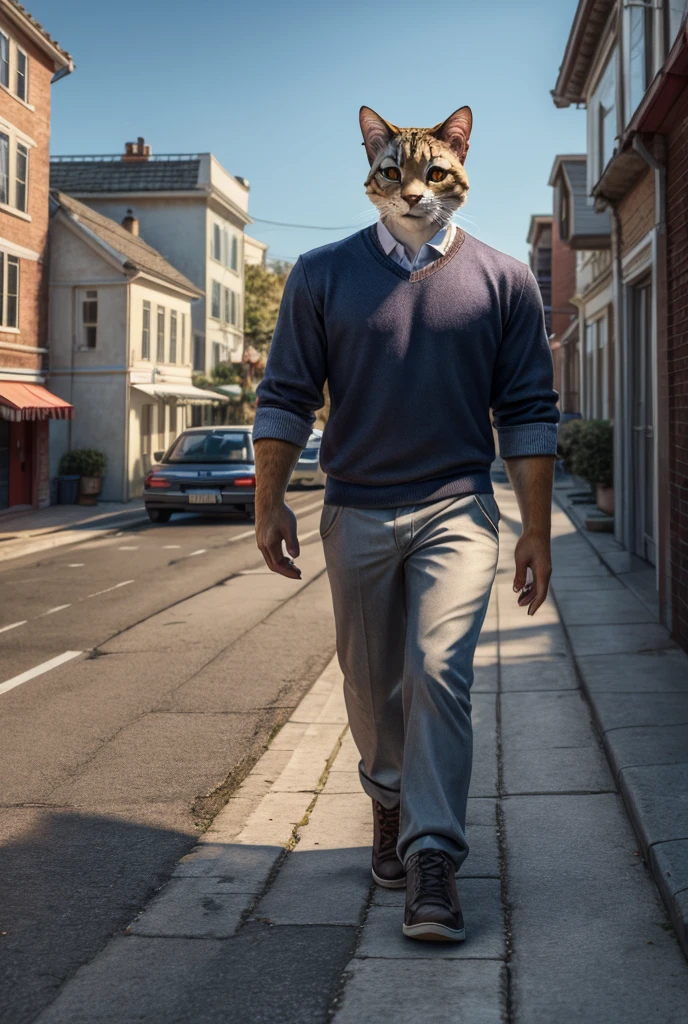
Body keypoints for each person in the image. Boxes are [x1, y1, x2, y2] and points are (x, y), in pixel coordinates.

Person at [252, 105, 558, 942]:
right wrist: (268, 496)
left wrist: (535, 528)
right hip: (353, 505)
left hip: (457, 505)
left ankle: (433, 858)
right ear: (372, 172)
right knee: (370, 684)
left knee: (437, 670)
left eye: (435, 171)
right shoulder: (319, 276)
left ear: (462, 163)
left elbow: (529, 409)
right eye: (394, 173)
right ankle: (386, 794)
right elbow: (284, 395)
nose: (414, 189)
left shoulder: (506, 280)